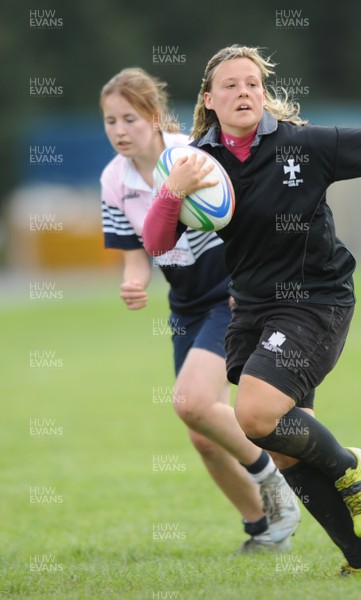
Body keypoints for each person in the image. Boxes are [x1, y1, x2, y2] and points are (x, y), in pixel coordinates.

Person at [142, 45, 361, 577]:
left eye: (253, 84)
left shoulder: (304, 145)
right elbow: (156, 241)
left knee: (255, 416)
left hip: (316, 301)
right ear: (209, 99)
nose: (244, 92)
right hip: (252, 311)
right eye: (231, 85)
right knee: (286, 450)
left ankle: (350, 464)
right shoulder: (197, 164)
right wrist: (172, 192)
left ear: (263, 94)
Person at [99, 66, 301, 554]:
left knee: (191, 403)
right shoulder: (113, 180)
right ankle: (265, 529)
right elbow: (137, 257)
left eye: (129, 118)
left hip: (229, 295)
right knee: (203, 436)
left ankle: (272, 478)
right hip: (185, 304)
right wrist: (132, 283)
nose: (120, 131)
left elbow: (241, 219)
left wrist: (252, 281)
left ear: (152, 115)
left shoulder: (189, 156)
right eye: (110, 122)